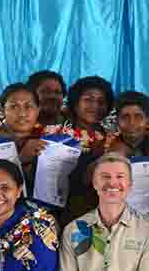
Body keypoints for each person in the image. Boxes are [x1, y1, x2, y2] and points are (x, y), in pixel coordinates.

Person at [49, 76, 114, 223]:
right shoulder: (58, 134)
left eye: (101, 101)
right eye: (88, 99)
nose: (95, 106)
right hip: (62, 212)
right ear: (75, 103)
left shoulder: (113, 139)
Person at [0, 83, 46, 185]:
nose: (22, 114)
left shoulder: (49, 139)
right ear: (2, 111)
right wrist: (20, 159)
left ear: (38, 109)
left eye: (28, 106)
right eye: (14, 106)